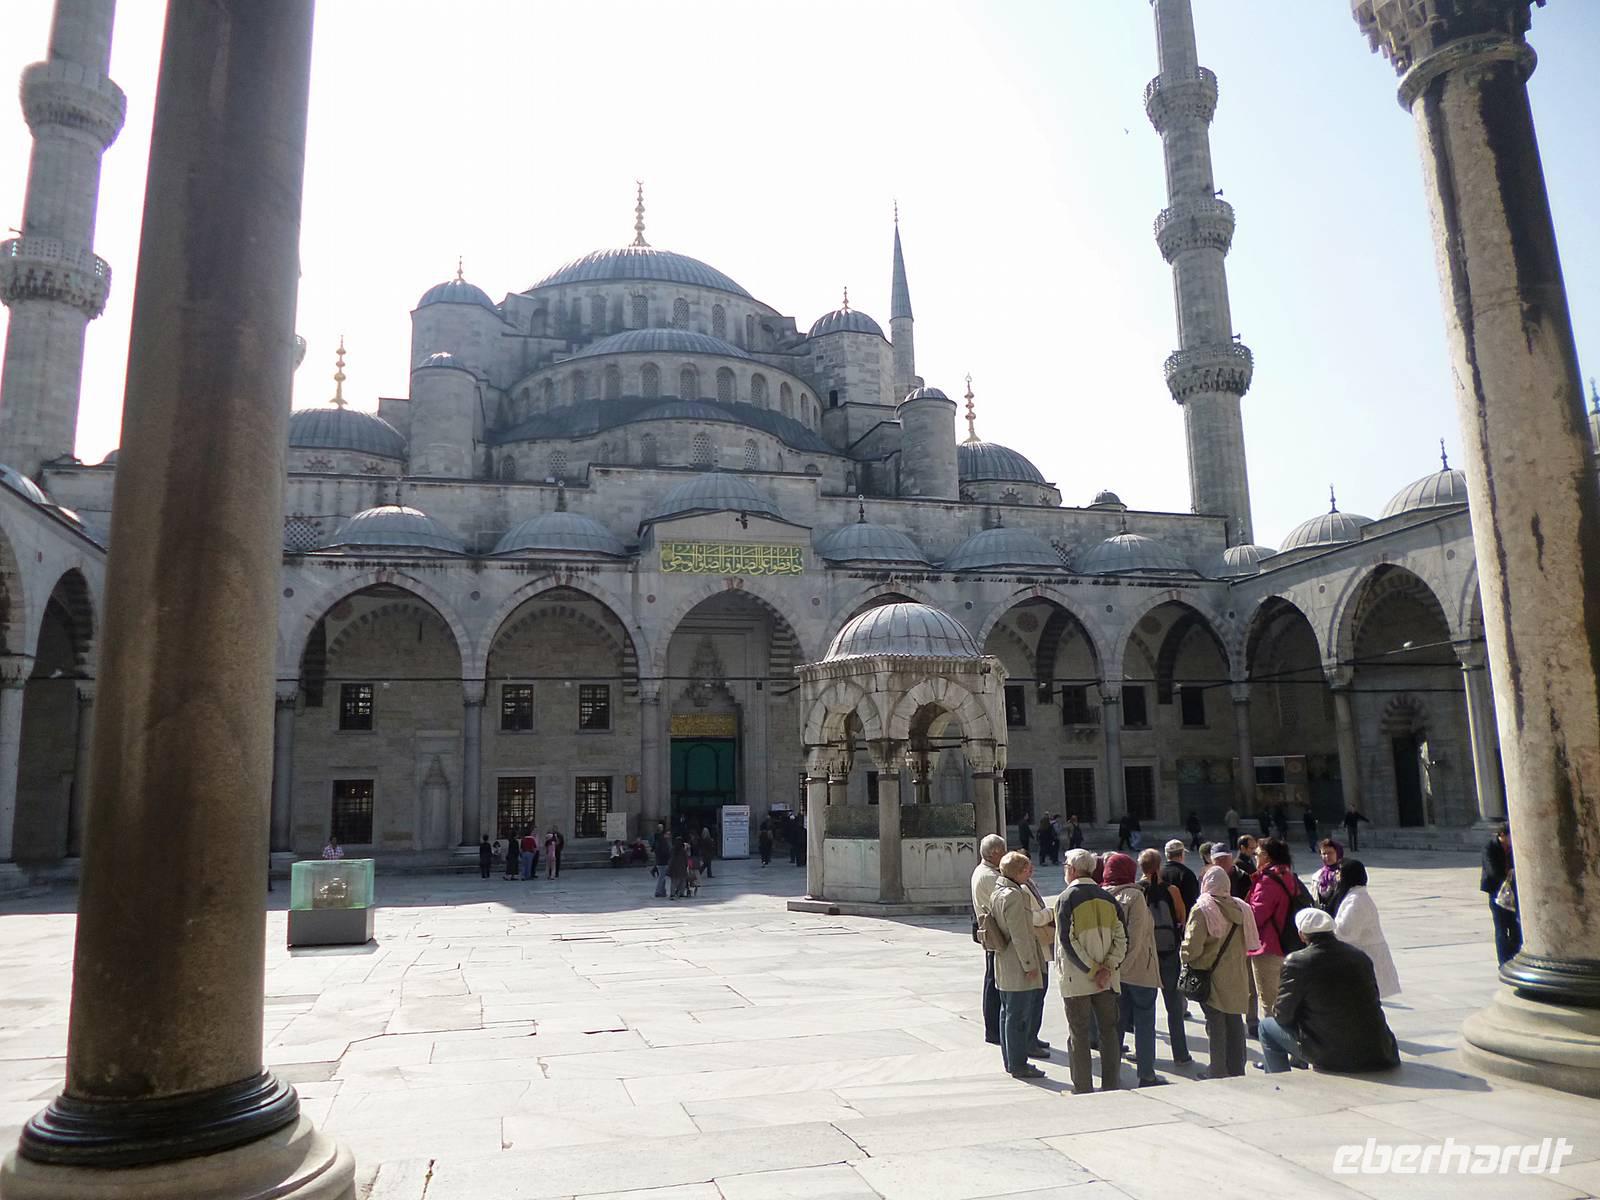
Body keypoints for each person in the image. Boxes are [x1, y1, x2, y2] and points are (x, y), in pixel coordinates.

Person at [1260, 908, 1399, 1074]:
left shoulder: (1297, 962)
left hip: (1332, 1055)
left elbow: (1282, 1016)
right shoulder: (1359, 956)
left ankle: (1280, 1081)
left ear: (1302, 935)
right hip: (1380, 1051)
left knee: (1266, 1027)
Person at [1054, 848, 1128, 1095]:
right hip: (1107, 980)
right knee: (1109, 1032)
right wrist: (1107, 967)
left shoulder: (1066, 898)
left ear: (1072, 870)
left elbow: (1068, 940)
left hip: (1078, 979)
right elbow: (1122, 938)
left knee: (1079, 1034)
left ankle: (1083, 1087)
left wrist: (1094, 969)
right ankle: (1111, 1084)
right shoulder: (1108, 898)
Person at [1180, 865, 1259, 1078]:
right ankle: (1236, 1068)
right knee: (1234, 1023)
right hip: (1237, 975)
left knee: (1215, 1025)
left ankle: (1217, 1070)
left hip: (1212, 975)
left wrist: (1184, 957)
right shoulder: (1242, 908)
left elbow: (1192, 948)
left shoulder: (1203, 909)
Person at [1104, 853, 1165, 1087]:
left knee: (1115, 1025)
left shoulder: (1103, 895)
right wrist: (1124, 968)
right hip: (1138, 971)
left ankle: (1112, 1074)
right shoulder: (1134, 896)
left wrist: (1115, 970)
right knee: (1144, 1022)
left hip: (1114, 971)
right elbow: (1136, 938)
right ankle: (1147, 1074)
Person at [990, 852, 1047, 1080]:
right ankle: (1018, 1063)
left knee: (1008, 1014)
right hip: (1016, 962)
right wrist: (1029, 964)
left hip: (1005, 961)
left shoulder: (998, 891)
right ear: (1018, 872)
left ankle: (1011, 1060)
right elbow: (1020, 934)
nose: (1029, 873)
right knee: (1018, 1017)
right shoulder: (1014, 895)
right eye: (1026, 870)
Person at [1246, 837, 1307, 1038]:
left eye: (1257, 853)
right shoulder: (1288, 875)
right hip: (1291, 945)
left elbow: (1256, 916)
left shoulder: (1267, 880)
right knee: (1290, 1001)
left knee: (1270, 1004)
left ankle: (1276, 1055)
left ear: (1266, 856)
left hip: (1269, 947)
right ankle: (1297, 1050)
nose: (1255, 857)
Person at [1139, 847, 1190, 1065]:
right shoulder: (1172, 890)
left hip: (1145, 955)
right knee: (1174, 1006)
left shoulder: (1137, 891)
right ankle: (1181, 1053)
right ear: (1159, 867)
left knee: (1144, 1008)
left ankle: (1145, 1056)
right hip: (1169, 953)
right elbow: (1181, 917)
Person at [1330, 860, 1400, 997]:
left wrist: (1326, 928)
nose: (1336, 875)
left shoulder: (1356, 900)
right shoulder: (1353, 896)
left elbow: (1346, 932)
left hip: (1365, 957)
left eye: (1339, 872)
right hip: (1362, 956)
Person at [970, 834, 1007, 1046]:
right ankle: (994, 1030)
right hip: (995, 933)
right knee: (995, 983)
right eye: (1002, 851)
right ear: (994, 854)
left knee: (992, 980)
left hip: (990, 932)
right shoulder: (990, 876)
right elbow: (1004, 905)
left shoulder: (985, 871)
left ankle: (994, 1029)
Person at [1480, 824, 1521, 966]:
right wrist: (1508, 874)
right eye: (1510, 835)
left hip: (1514, 894)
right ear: (1502, 835)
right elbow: (1492, 871)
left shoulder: (1514, 848)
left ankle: (1514, 957)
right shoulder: (1490, 847)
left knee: (1516, 927)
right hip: (1497, 893)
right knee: (1501, 929)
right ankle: (1503, 962)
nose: (1512, 838)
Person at [1160, 840, 1200, 914]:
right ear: (1182, 854)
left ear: (1166, 854)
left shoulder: (1158, 873)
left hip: (1162, 919)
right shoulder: (1187, 874)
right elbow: (1192, 900)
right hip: (1183, 919)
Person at [1312, 838, 1345, 912]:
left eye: (1330, 853)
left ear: (1338, 853)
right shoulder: (1317, 876)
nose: (1327, 856)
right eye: (1324, 854)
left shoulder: (1345, 874)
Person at [652, 821, 672, 898]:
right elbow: (664, 851)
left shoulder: (658, 839)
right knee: (662, 877)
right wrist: (669, 856)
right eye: (668, 834)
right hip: (663, 861)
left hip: (660, 860)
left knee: (662, 877)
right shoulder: (662, 840)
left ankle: (663, 892)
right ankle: (658, 891)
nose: (669, 835)